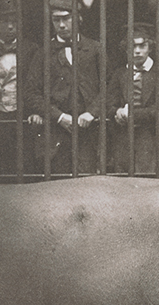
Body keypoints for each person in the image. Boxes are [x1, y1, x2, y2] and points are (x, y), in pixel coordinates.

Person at [25, 0, 103, 175]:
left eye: (67, 19)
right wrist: (58, 116)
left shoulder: (95, 49)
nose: (61, 25)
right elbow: (30, 92)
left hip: (88, 132)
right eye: (56, 20)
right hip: (55, 132)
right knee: (57, 186)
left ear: (78, 19)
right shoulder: (43, 52)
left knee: (87, 182)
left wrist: (92, 112)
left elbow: (108, 87)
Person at [106, 22, 159, 175]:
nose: (138, 51)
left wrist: (133, 115)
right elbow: (108, 103)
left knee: (146, 179)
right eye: (132, 47)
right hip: (122, 137)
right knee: (122, 181)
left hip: (149, 136)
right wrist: (117, 111)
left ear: (150, 47)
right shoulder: (119, 74)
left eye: (142, 46)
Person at [0, 0, 38, 180]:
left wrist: (34, 112)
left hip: (21, 112)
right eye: (4, 22)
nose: (10, 27)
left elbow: (36, 84)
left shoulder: (31, 49)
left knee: (24, 159)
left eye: (14, 22)